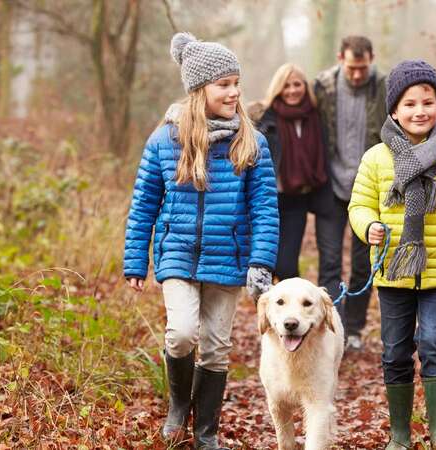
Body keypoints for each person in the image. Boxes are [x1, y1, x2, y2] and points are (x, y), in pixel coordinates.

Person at [123, 32, 278, 449]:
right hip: (177, 254)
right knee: (182, 333)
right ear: (199, 90)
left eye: (235, 83)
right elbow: (144, 205)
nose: (234, 92)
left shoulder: (252, 142)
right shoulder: (165, 141)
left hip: (228, 257)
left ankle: (205, 430)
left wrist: (260, 263)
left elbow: (265, 209)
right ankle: (178, 406)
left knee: (215, 347)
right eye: (223, 84)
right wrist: (136, 261)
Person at [348, 60, 436, 450]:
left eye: (427, 102)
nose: (419, 111)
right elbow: (358, 206)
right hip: (393, 269)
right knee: (395, 351)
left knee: (432, 341)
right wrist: (368, 226)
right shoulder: (376, 158)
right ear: (394, 110)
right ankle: (400, 434)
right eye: (410, 104)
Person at [314, 35, 387, 351]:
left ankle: (354, 328)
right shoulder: (323, 87)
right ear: (340, 58)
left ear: (371, 59)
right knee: (329, 262)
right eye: (352, 68)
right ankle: (332, 326)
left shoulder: (384, 87)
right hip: (330, 186)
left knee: (362, 264)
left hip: (368, 189)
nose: (357, 74)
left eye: (363, 67)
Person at [255, 63, 333, 283]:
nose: (292, 90)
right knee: (267, 263)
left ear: (305, 86)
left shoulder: (315, 117)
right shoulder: (265, 118)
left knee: (287, 265)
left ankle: (293, 308)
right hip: (268, 200)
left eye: (297, 84)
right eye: (286, 85)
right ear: (278, 88)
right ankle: (270, 311)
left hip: (296, 200)